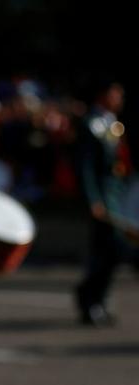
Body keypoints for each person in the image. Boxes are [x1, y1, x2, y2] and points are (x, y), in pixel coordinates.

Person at [75, 78, 133, 327]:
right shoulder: (92, 124)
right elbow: (85, 166)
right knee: (104, 251)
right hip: (102, 199)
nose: (119, 99)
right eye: (114, 94)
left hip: (114, 196)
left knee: (112, 252)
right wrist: (93, 199)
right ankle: (89, 300)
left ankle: (97, 300)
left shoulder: (112, 124)